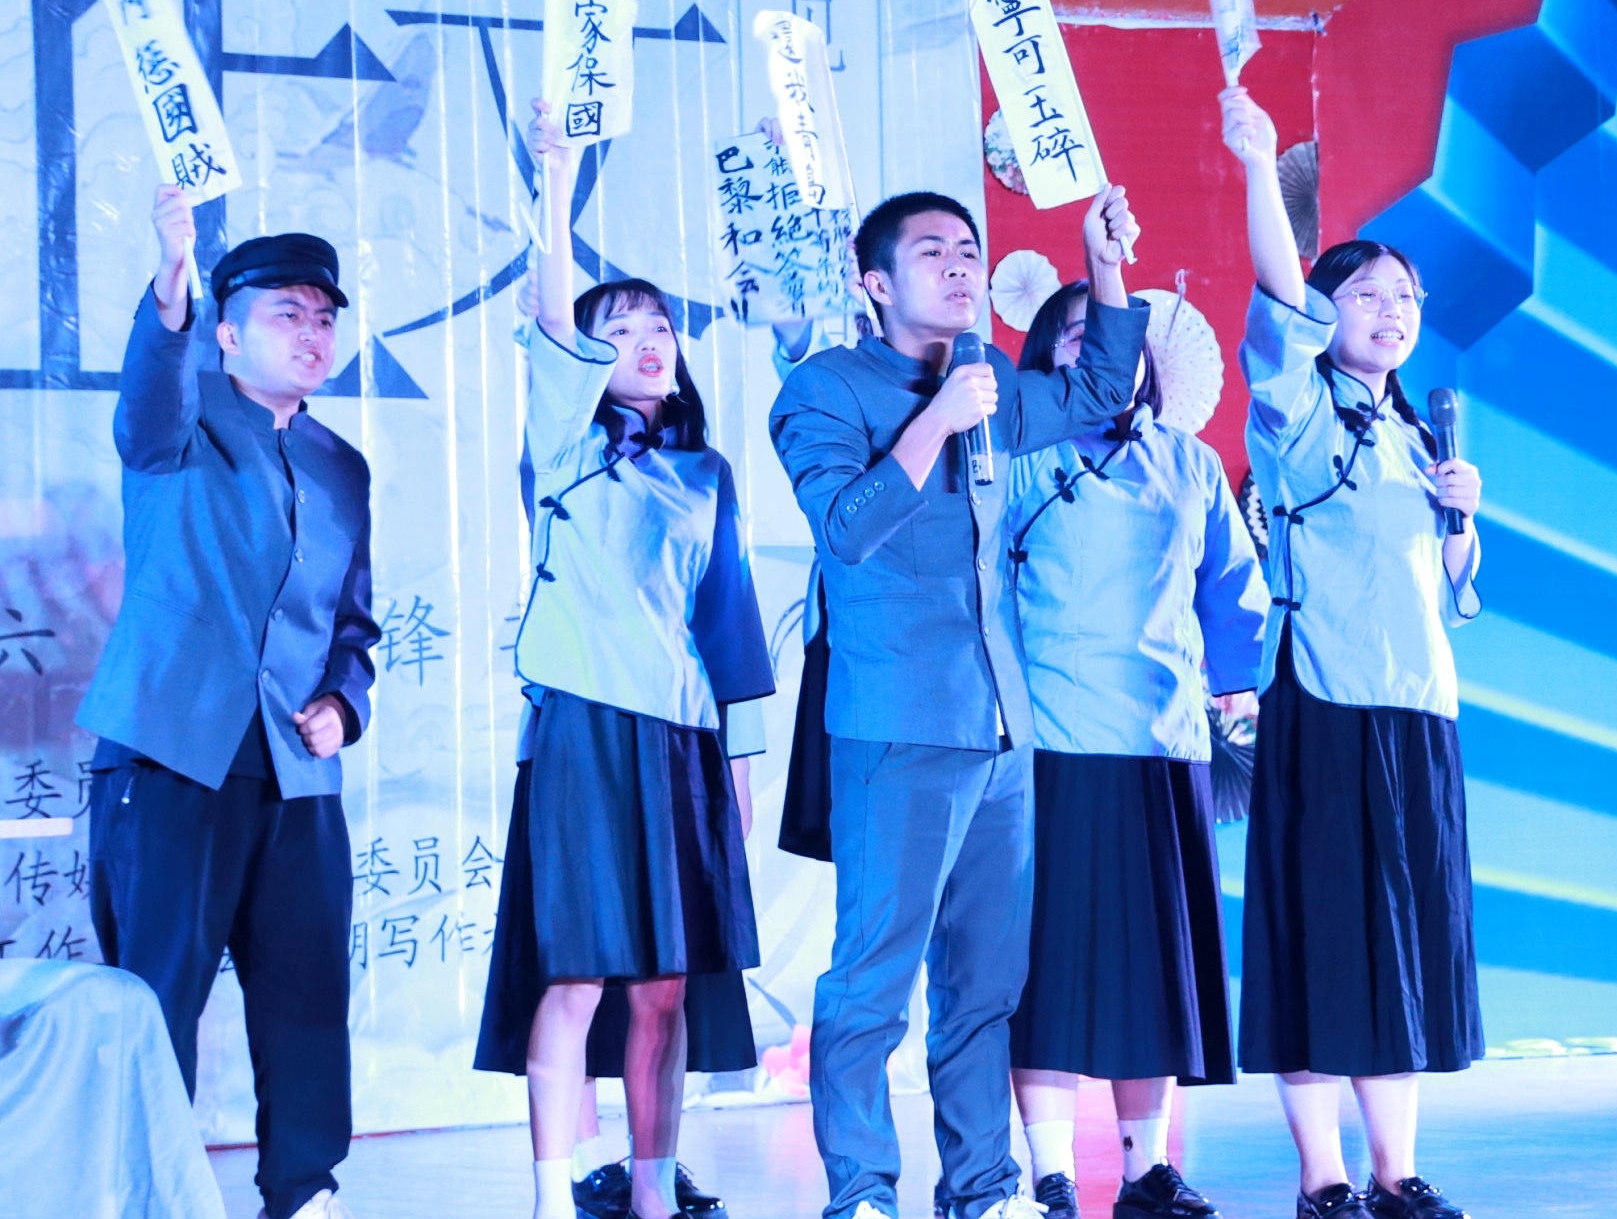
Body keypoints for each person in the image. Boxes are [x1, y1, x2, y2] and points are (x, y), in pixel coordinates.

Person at [768, 184, 1148, 1219]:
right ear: (875, 283)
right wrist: (937, 420)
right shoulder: (825, 388)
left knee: (984, 984)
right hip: (897, 723)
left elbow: (1097, 393)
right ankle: (861, 1192)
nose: (960, 266)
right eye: (932, 251)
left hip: (1000, 727)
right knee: (872, 981)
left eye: (969, 251)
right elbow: (846, 529)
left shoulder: (987, 377)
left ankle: (981, 1190)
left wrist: (1103, 262)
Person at [474, 103, 776, 1219]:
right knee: (576, 972)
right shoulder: (563, 446)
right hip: (584, 733)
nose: (648, 340)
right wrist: (556, 182)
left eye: (661, 325)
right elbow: (552, 320)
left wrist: (739, 758)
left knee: (663, 986)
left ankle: (652, 1192)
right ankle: (553, 1196)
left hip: (682, 743)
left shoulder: (706, 475)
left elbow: (731, 626)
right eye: (620, 327)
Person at [79, 186, 378, 1219]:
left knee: (307, 995)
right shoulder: (182, 416)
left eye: (324, 316)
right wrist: (172, 276)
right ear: (228, 329)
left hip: (297, 769)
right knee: (157, 990)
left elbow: (354, 628)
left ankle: (302, 1191)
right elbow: (147, 395)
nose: (312, 333)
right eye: (287, 314)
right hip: (173, 752)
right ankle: (145, 1191)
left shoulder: (342, 466)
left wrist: (344, 704)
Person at [1219, 88, 1486, 1219]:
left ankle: (1396, 1169)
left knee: (1405, 943)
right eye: (1369, 294)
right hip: (1324, 704)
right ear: (1327, 311)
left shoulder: (1419, 436)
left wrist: (1464, 518)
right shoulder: (1297, 409)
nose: (1392, 312)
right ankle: (1323, 1177)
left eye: (1407, 298)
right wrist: (1258, 165)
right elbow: (1280, 295)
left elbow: (1453, 590)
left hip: (1419, 712)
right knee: (1325, 937)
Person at [1003, 281, 1270, 1219]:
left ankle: (1146, 1169)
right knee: (1045, 968)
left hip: (1163, 745)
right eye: (1079, 337)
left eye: (1116, 339)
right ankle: (1049, 1171)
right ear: (1046, 358)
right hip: (1050, 742)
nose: (1102, 353)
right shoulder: (1020, 459)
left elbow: (1233, 588)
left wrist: (1236, 689)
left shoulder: (1189, 463)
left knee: (1152, 970)